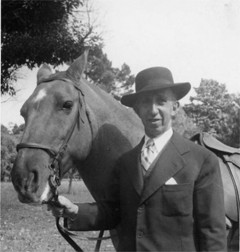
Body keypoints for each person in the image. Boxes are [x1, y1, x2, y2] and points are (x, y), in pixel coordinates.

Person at [49, 67, 227, 251]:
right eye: (145, 102)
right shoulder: (126, 163)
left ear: (174, 108)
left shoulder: (202, 160)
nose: (153, 110)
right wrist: (74, 210)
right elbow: (114, 213)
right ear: (137, 110)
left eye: (161, 101)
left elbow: (212, 232)